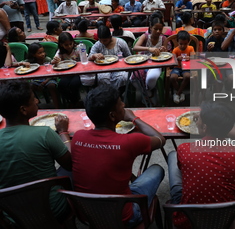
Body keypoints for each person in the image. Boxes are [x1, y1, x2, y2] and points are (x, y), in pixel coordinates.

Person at [71, 84, 165, 227]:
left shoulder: (78, 137)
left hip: (88, 215)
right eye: (120, 103)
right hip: (124, 217)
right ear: (112, 115)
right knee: (157, 169)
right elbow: (160, 140)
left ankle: (131, 181)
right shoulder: (129, 141)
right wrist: (134, 118)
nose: (124, 104)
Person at [168, 100, 235, 228]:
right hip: (225, 220)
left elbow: (181, 168)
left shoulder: (185, 149)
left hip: (188, 220)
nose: (197, 120)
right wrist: (220, 125)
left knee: (172, 156)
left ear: (204, 127)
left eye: (198, 119)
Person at [0, 80, 72, 222]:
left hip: (13, 217)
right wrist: (63, 133)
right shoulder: (44, 133)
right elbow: (70, 164)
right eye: (33, 98)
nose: (37, 101)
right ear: (23, 109)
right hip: (52, 210)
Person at [133, 15, 167, 99]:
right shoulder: (145, 36)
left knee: (151, 78)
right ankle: (147, 92)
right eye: (156, 29)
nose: (158, 31)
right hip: (142, 61)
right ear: (151, 27)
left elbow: (167, 53)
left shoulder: (163, 38)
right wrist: (149, 48)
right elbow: (135, 47)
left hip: (156, 63)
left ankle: (147, 91)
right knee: (133, 78)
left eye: (160, 29)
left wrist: (163, 50)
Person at [88, 25, 131, 91]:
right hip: (103, 69)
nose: (102, 42)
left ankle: (118, 95)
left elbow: (129, 56)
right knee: (102, 78)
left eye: (105, 40)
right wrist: (94, 56)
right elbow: (89, 58)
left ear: (110, 37)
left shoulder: (120, 43)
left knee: (122, 78)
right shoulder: (98, 45)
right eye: (100, 40)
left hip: (120, 68)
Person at [52, 32, 82, 107]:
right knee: (61, 85)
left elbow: (84, 60)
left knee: (74, 84)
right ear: (61, 45)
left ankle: (75, 101)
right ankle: (73, 101)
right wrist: (54, 61)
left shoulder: (77, 49)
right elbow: (54, 61)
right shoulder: (60, 52)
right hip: (66, 73)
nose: (69, 46)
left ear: (73, 42)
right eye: (66, 45)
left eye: (70, 44)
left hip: (77, 72)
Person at [27, 43, 60, 108]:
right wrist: (22, 63)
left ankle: (57, 106)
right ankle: (36, 106)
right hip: (37, 80)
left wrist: (44, 82)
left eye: (43, 52)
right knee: (29, 86)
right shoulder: (30, 62)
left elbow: (53, 73)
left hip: (49, 79)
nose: (43, 54)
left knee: (51, 86)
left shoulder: (47, 60)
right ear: (33, 55)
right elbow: (16, 64)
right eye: (39, 53)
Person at [169, 31, 193, 104]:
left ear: (188, 42)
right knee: (173, 77)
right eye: (181, 44)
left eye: (185, 44)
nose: (183, 46)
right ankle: (180, 92)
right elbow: (172, 60)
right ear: (177, 42)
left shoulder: (190, 48)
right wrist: (176, 58)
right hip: (177, 67)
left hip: (186, 67)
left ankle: (177, 93)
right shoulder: (176, 50)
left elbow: (194, 56)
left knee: (187, 76)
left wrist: (189, 57)